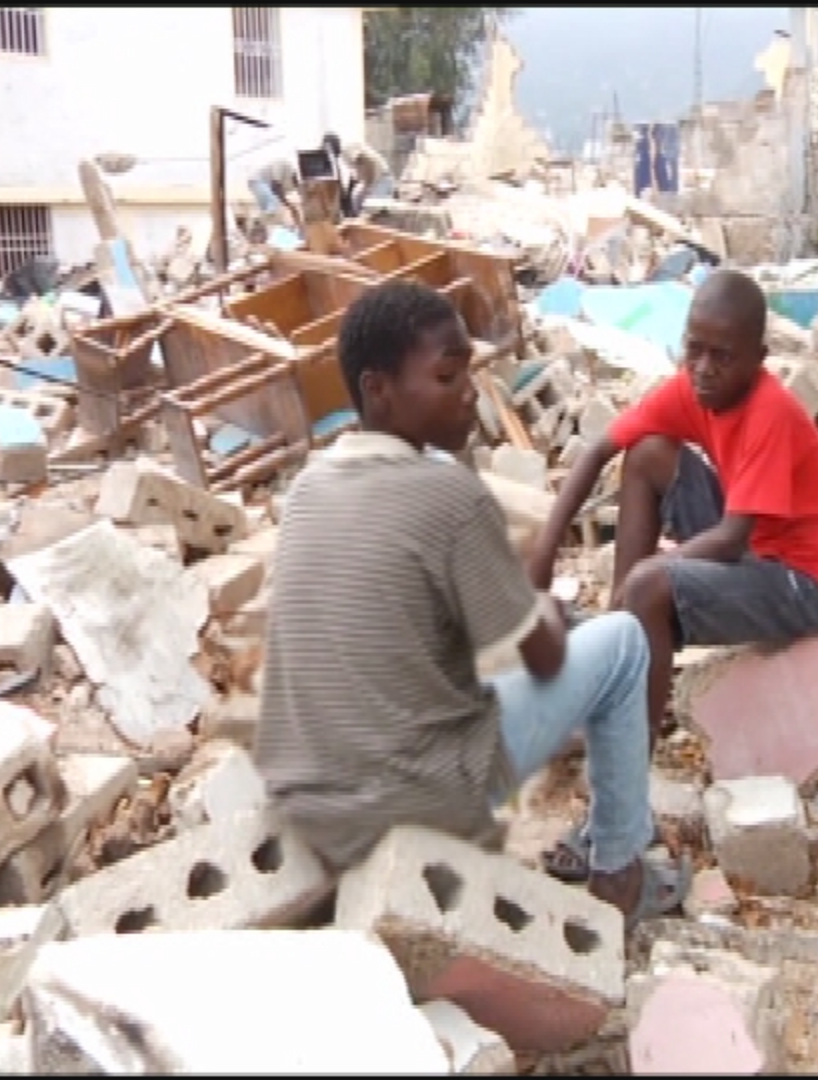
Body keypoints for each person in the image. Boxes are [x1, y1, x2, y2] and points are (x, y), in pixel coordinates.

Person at [252, 280, 688, 927]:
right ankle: (619, 871)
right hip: (412, 802)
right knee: (622, 641)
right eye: (447, 375)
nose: (469, 393)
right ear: (378, 389)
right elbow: (543, 658)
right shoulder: (448, 494)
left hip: (310, 806)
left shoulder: (308, 490)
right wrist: (543, 611)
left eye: (469, 372)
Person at [526, 269, 818, 883]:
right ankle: (619, 658)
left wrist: (648, 576)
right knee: (648, 455)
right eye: (693, 348)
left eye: (722, 356)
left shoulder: (769, 413)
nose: (702, 368)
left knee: (651, 588)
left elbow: (731, 539)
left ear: (758, 358)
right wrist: (545, 550)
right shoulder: (694, 387)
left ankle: (620, 807)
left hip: (799, 582)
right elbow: (599, 450)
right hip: (754, 547)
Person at [341, 140, 395, 217]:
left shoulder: (362, 156)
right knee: (357, 197)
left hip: (381, 180)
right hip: (377, 180)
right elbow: (360, 173)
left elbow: (369, 168)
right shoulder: (352, 155)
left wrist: (367, 188)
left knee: (373, 207)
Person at [248, 158, 302, 229]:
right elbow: (275, 186)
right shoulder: (285, 164)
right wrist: (290, 206)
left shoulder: (291, 186)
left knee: (272, 210)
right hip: (258, 180)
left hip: (263, 186)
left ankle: (260, 224)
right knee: (273, 205)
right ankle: (258, 223)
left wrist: (291, 208)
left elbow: (280, 196)